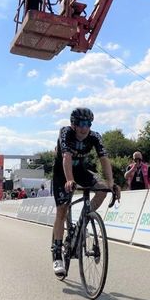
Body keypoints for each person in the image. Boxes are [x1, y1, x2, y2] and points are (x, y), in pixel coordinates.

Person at [51, 107, 118, 276]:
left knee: (102, 190)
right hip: (62, 172)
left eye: (88, 124)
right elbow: (66, 157)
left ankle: (84, 221)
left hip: (81, 170)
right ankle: (57, 254)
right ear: (73, 124)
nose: (84, 128)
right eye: (80, 124)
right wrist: (69, 180)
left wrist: (110, 183)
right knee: (62, 211)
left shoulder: (95, 136)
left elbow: (104, 159)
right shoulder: (65, 132)